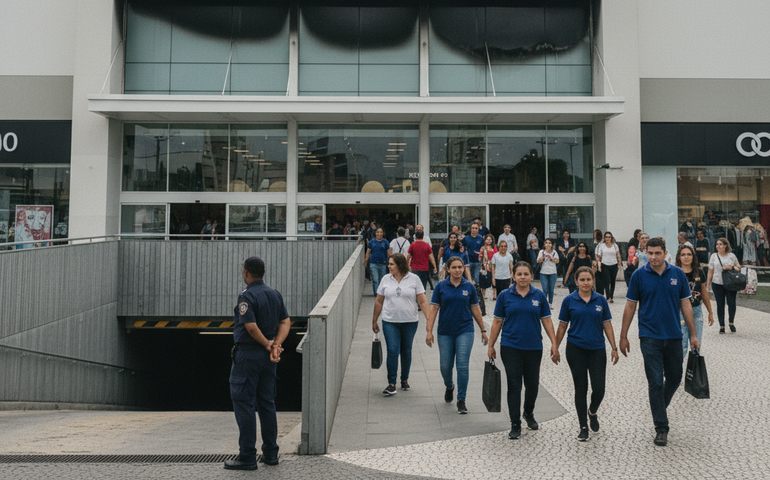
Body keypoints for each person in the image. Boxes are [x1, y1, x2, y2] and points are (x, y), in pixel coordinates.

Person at [620, 237, 699, 447]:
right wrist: (623, 335)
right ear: (645, 253)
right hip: (649, 337)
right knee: (655, 381)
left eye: (657, 253)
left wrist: (693, 334)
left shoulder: (678, 274)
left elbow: (686, 304)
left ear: (665, 253)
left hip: (673, 335)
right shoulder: (638, 275)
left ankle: (658, 407)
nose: (653, 257)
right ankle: (661, 427)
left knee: (674, 378)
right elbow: (630, 306)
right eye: (649, 253)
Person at [225, 256, 291, 470]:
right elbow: (285, 321)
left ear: (246, 273)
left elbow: (250, 327)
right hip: (268, 359)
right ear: (263, 272)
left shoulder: (247, 296)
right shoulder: (274, 294)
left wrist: (266, 344)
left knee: (244, 403)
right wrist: (275, 345)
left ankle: (247, 457)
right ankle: (271, 454)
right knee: (266, 403)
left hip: (248, 355)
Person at [487, 261, 560, 440]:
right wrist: (491, 345)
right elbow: (497, 321)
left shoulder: (539, 296)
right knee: (514, 385)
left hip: (534, 346)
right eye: (519, 274)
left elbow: (547, 320)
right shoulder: (505, 295)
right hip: (510, 347)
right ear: (513, 276)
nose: (522, 277)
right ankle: (515, 423)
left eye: (526, 274)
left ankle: (528, 412)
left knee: (532, 385)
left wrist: (554, 343)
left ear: (531, 276)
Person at [555, 266, 619, 442]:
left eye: (588, 279)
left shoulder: (600, 300)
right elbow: (562, 325)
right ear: (576, 282)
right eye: (582, 280)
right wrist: (555, 346)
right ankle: (583, 426)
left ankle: (592, 411)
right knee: (580, 388)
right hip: (575, 349)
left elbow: (607, 324)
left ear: (593, 281)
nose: (585, 283)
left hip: (597, 349)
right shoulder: (569, 300)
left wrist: (614, 348)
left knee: (599, 388)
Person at [425, 256, 489, 414]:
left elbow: (475, 309)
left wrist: (483, 330)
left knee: (462, 366)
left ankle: (461, 400)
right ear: (448, 269)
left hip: (465, 330)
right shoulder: (441, 286)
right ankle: (449, 386)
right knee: (445, 366)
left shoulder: (469, 287)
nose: (458, 270)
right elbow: (433, 309)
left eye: (460, 267)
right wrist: (429, 331)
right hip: (445, 332)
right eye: (454, 267)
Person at [372, 253, 431, 395]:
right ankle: (391, 383)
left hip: (410, 321)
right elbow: (379, 301)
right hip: (390, 321)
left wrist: (430, 320)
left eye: (392, 264)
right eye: (389, 264)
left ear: (400, 265)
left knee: (406, 350)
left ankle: (404, 379)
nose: (389, 266)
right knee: (393, 350)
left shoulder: (414, 279)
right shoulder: (386, 279)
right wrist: (374, 319)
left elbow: (422, 301)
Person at [675, 245, 714, 357]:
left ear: (693, 257)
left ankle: (693, 372)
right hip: (680, 312)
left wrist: (710, 312)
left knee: (696, 345)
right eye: (683, 254)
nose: (686, 257)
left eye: (689, 254)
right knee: (681, 346)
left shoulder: (699, 272)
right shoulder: (675, 273)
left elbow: (704, 293)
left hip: (696, 311)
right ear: (679, 257)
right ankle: (677, 372)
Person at [706, 237, 740, 334]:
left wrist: (731, 267)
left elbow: (738, 267)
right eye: (717, 244)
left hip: (730, 283)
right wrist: (708, 284)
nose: (718, 246)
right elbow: (710, 270)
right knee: (720, 304)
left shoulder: (731, 256)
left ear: (725, 245)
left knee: (731, 303)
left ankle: (731, 322)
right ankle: (721, 325)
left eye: (720, 244)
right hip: (717, 283)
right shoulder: (714, 256)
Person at [596, 231, 622, 303]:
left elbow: (618, 254)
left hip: (614, 264)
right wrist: (599, 264)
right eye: (606, 237)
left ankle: (611, 296)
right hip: (605, 264)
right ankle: (608, 297)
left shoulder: (615, 245)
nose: (608, 238)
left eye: (609, 237)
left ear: (611, 238)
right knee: (607, 281)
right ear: (604, 238)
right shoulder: (601, 245)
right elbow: (598, 256)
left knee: (613, 281)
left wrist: (619, 262)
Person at [365, 228, 391, 296]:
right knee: (375, 280)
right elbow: (368, 252)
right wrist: (366, 261)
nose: (379, 234)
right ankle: (377, 294)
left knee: (382, 280)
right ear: (375, 233)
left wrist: (391, 262)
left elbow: (389, 253)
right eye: (378, 232)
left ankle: (382, 293)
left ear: (383, 233)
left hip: (383, 264)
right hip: (373, 263)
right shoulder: (371, 242)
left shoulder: (386, 242)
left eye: (381, 232)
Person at [537, 238, 559, 306]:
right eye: (546, 243)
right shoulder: (541, 252)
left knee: (551, 289)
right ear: (544, 244)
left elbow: (557, 261)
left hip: (553, 272)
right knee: (545, 289)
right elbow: (538, 261)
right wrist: (542, 257)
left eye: (549, 243)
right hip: (543, 272)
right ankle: (544, 303)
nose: (548, 245)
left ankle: (550, 303)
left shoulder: (554, 252)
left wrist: (552, 259)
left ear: (552, 245)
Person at [478, 234, 498, 300]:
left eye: (490, 239)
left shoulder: (494, 247)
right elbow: (479, 259)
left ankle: (494, 295)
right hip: (485, 266)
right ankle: (483, 295)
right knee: (483, 281)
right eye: (487, 239)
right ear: (485, 240)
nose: (489, 241)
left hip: (494, 265)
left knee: (494, 280)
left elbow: (497, 256)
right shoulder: (482, 248)